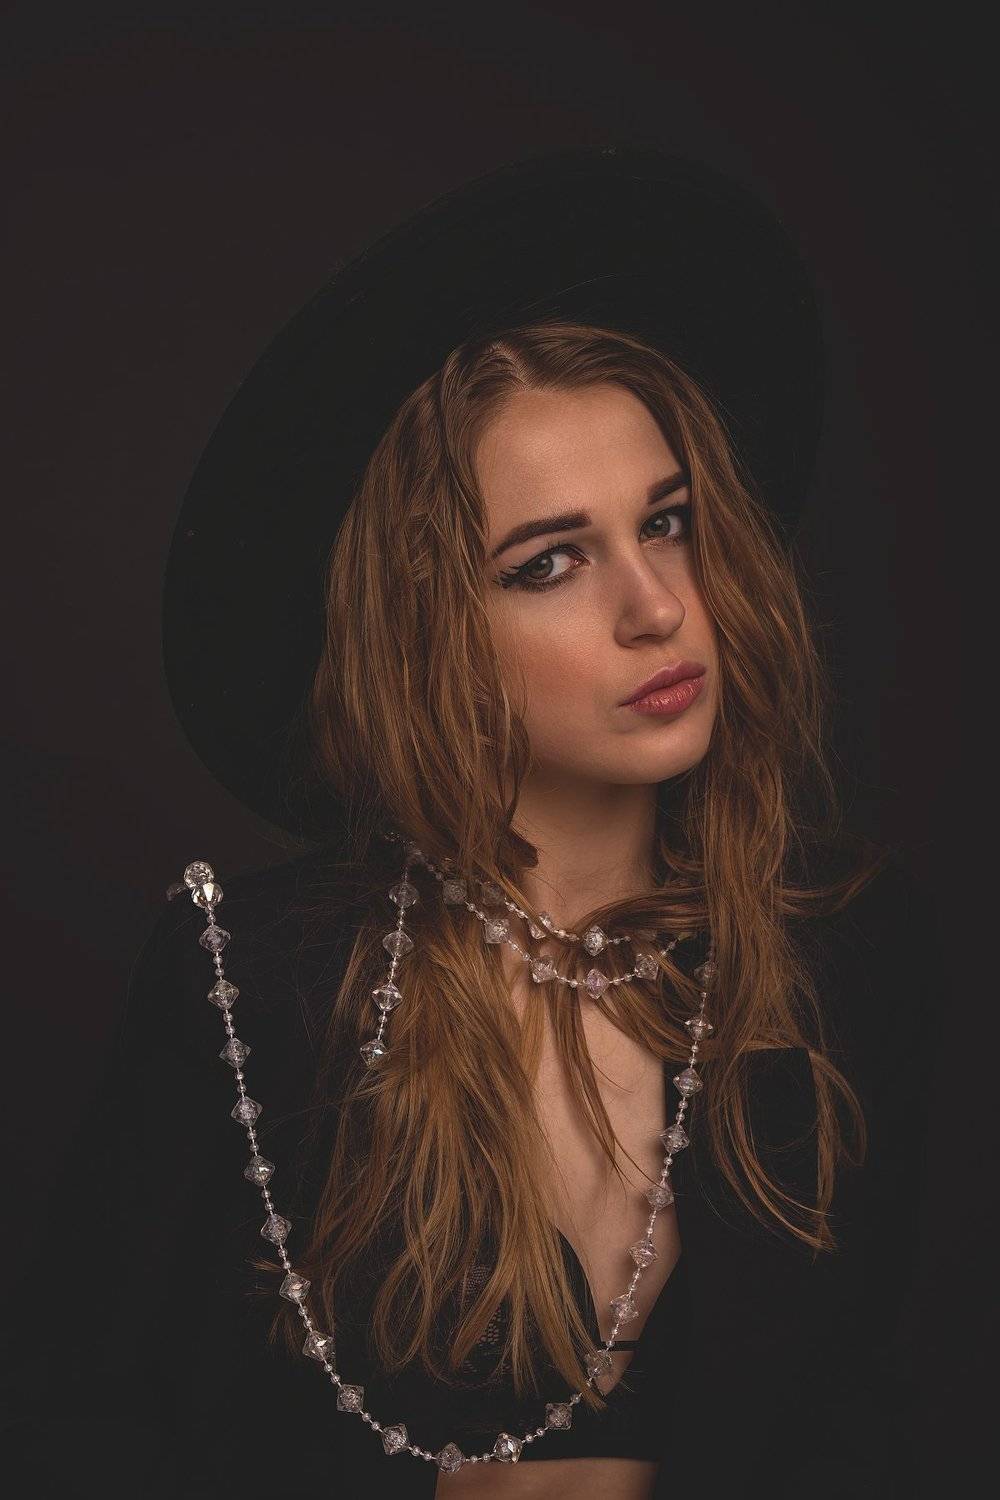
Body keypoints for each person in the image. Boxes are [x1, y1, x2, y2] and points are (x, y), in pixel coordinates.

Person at [1, 145, 940, 1499]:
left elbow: (898, 1412)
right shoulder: (256, 980)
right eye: (549, 562)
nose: (655, 606)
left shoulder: (851, 950)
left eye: (667, 523)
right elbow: (78, 1425)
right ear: (427, 629)